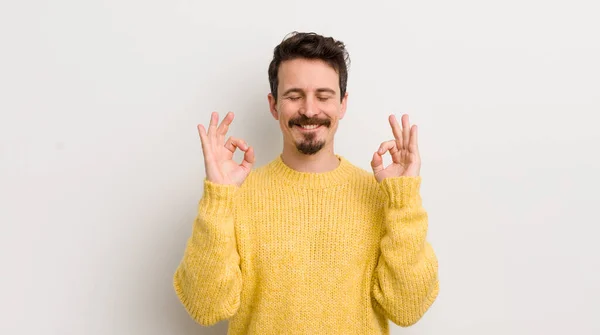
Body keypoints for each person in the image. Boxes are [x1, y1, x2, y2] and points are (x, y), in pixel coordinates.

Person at [173, 31, 439, 334]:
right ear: (274, 106)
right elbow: (206, 307)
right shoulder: (235, 196)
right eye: (294, 96)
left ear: (342, 104)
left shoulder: (383, 197)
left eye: (324, 96)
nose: (310, 110)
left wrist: (403, 200)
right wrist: (218, 198)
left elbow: (408, 307)